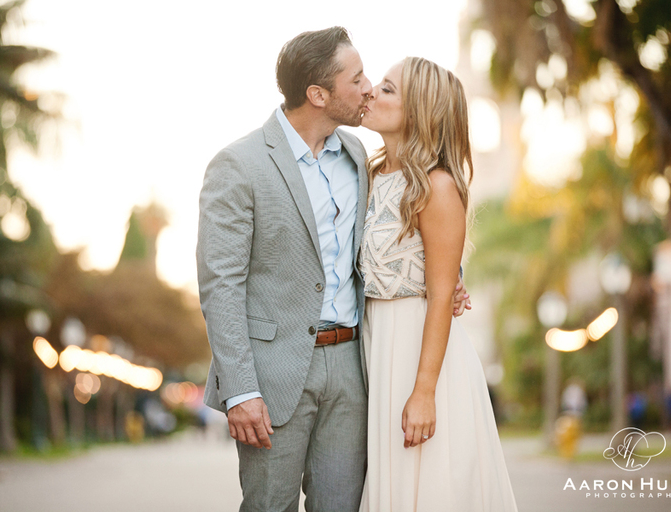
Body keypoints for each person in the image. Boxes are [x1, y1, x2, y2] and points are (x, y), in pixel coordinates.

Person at [197, 28, 469, 512]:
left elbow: (401, 231)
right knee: (268, 505)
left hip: (353, 365)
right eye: (358, 78)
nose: (368, 88)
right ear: (318, 95)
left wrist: (452, 276)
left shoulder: (359, 158)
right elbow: (221, 285)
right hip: (272, 370)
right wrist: (239, 390)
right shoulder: (238, 165)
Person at [358, 57, 518, 511]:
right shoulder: (367, 177)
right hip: (379, 349)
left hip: (422, 358)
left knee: (429, 489)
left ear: (420, 112)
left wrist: (424, 391)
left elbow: (442, 293)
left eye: (387, 89)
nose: (371, 92)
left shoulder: (437, 186)